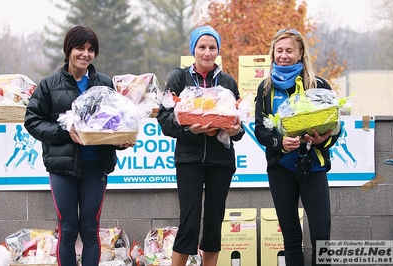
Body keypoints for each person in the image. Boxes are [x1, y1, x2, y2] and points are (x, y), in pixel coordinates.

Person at [24, 25, 133, 266]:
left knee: (90, 230)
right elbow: (32, 121)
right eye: (80, 48)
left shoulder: (104, 83)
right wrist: (66, 133)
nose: (85, 54)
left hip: (96, 166)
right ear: (68, 50)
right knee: (68, 229)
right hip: (62, 168)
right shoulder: (48, 85)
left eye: (91, 49)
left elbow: (115, 123)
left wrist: (122, 141)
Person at [156, 25, 245, 266]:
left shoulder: (228, 82)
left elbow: (238, 128)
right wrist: (189, 131)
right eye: (202, 47)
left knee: (215, 221)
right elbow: (164, 119)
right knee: (189, 221)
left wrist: (236, 130)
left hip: (221, 161)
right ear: (193, 49)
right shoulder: (179, 79)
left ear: (218, 50)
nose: (207, 52)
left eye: (212, 47)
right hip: (189, 160)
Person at [254, 28, 341, 266]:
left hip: (313, 168)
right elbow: (260, 130)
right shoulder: (265, 88)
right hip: (281, 169)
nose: (283, 55)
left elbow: (336, 127)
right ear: (273, 53)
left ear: (300, 52)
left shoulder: (319, 84)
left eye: (289, 50)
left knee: (322, 238)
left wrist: (325, 140)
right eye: (279, 50)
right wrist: (280, 143)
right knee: (291, 239)